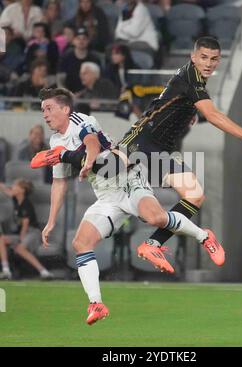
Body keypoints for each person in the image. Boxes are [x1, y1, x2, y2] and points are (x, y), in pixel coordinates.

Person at [39, 36, 242, 274]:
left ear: (218, 62)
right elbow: (213, 115)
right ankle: (64, 155)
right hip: (143, 137)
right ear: (193, 57)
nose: (208, 63)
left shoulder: (195, 82)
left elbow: (173, 102)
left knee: (195, 195)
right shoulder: (191, 78)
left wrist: (186, 113)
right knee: (108, 167)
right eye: (203, 57)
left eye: (214, 59)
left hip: (163, 148)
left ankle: (152, 244)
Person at [33, 87, 224, 325]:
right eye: (42, 110)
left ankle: (205, 237)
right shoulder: (55, 141)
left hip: (127, 179)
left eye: (49, 108)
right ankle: (96, 304)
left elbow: (91, 142)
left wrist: (88, 161)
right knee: (81, 244)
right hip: (106, 197)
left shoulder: (80, 119)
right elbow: (59, 183)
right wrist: (51, 221)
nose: (45, 114)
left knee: (155, 218)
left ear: (65, 108)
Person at [0, 179, 53, 280]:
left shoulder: (26, 204)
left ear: (22, 190)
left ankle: (44, 272)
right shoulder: (16, 199)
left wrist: (21, 239)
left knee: (20, 248)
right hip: (22, 233)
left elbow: (25, 224)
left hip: (32, 232)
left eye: (15, 186)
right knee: (1, 239)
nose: (12, 188)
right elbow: (8, 192)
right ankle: (6, 270)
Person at [57, 26, 102, 93]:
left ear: (88, 41)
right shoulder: (65, 58)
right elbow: (60, 80)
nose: (81, 41)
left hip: (90, 95)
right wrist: (67, 94)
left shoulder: (94, 59)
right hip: (69, 95)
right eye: (78, 38)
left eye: (84, 39)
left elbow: (98, 80)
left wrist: (84, 93)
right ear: (73, 41)